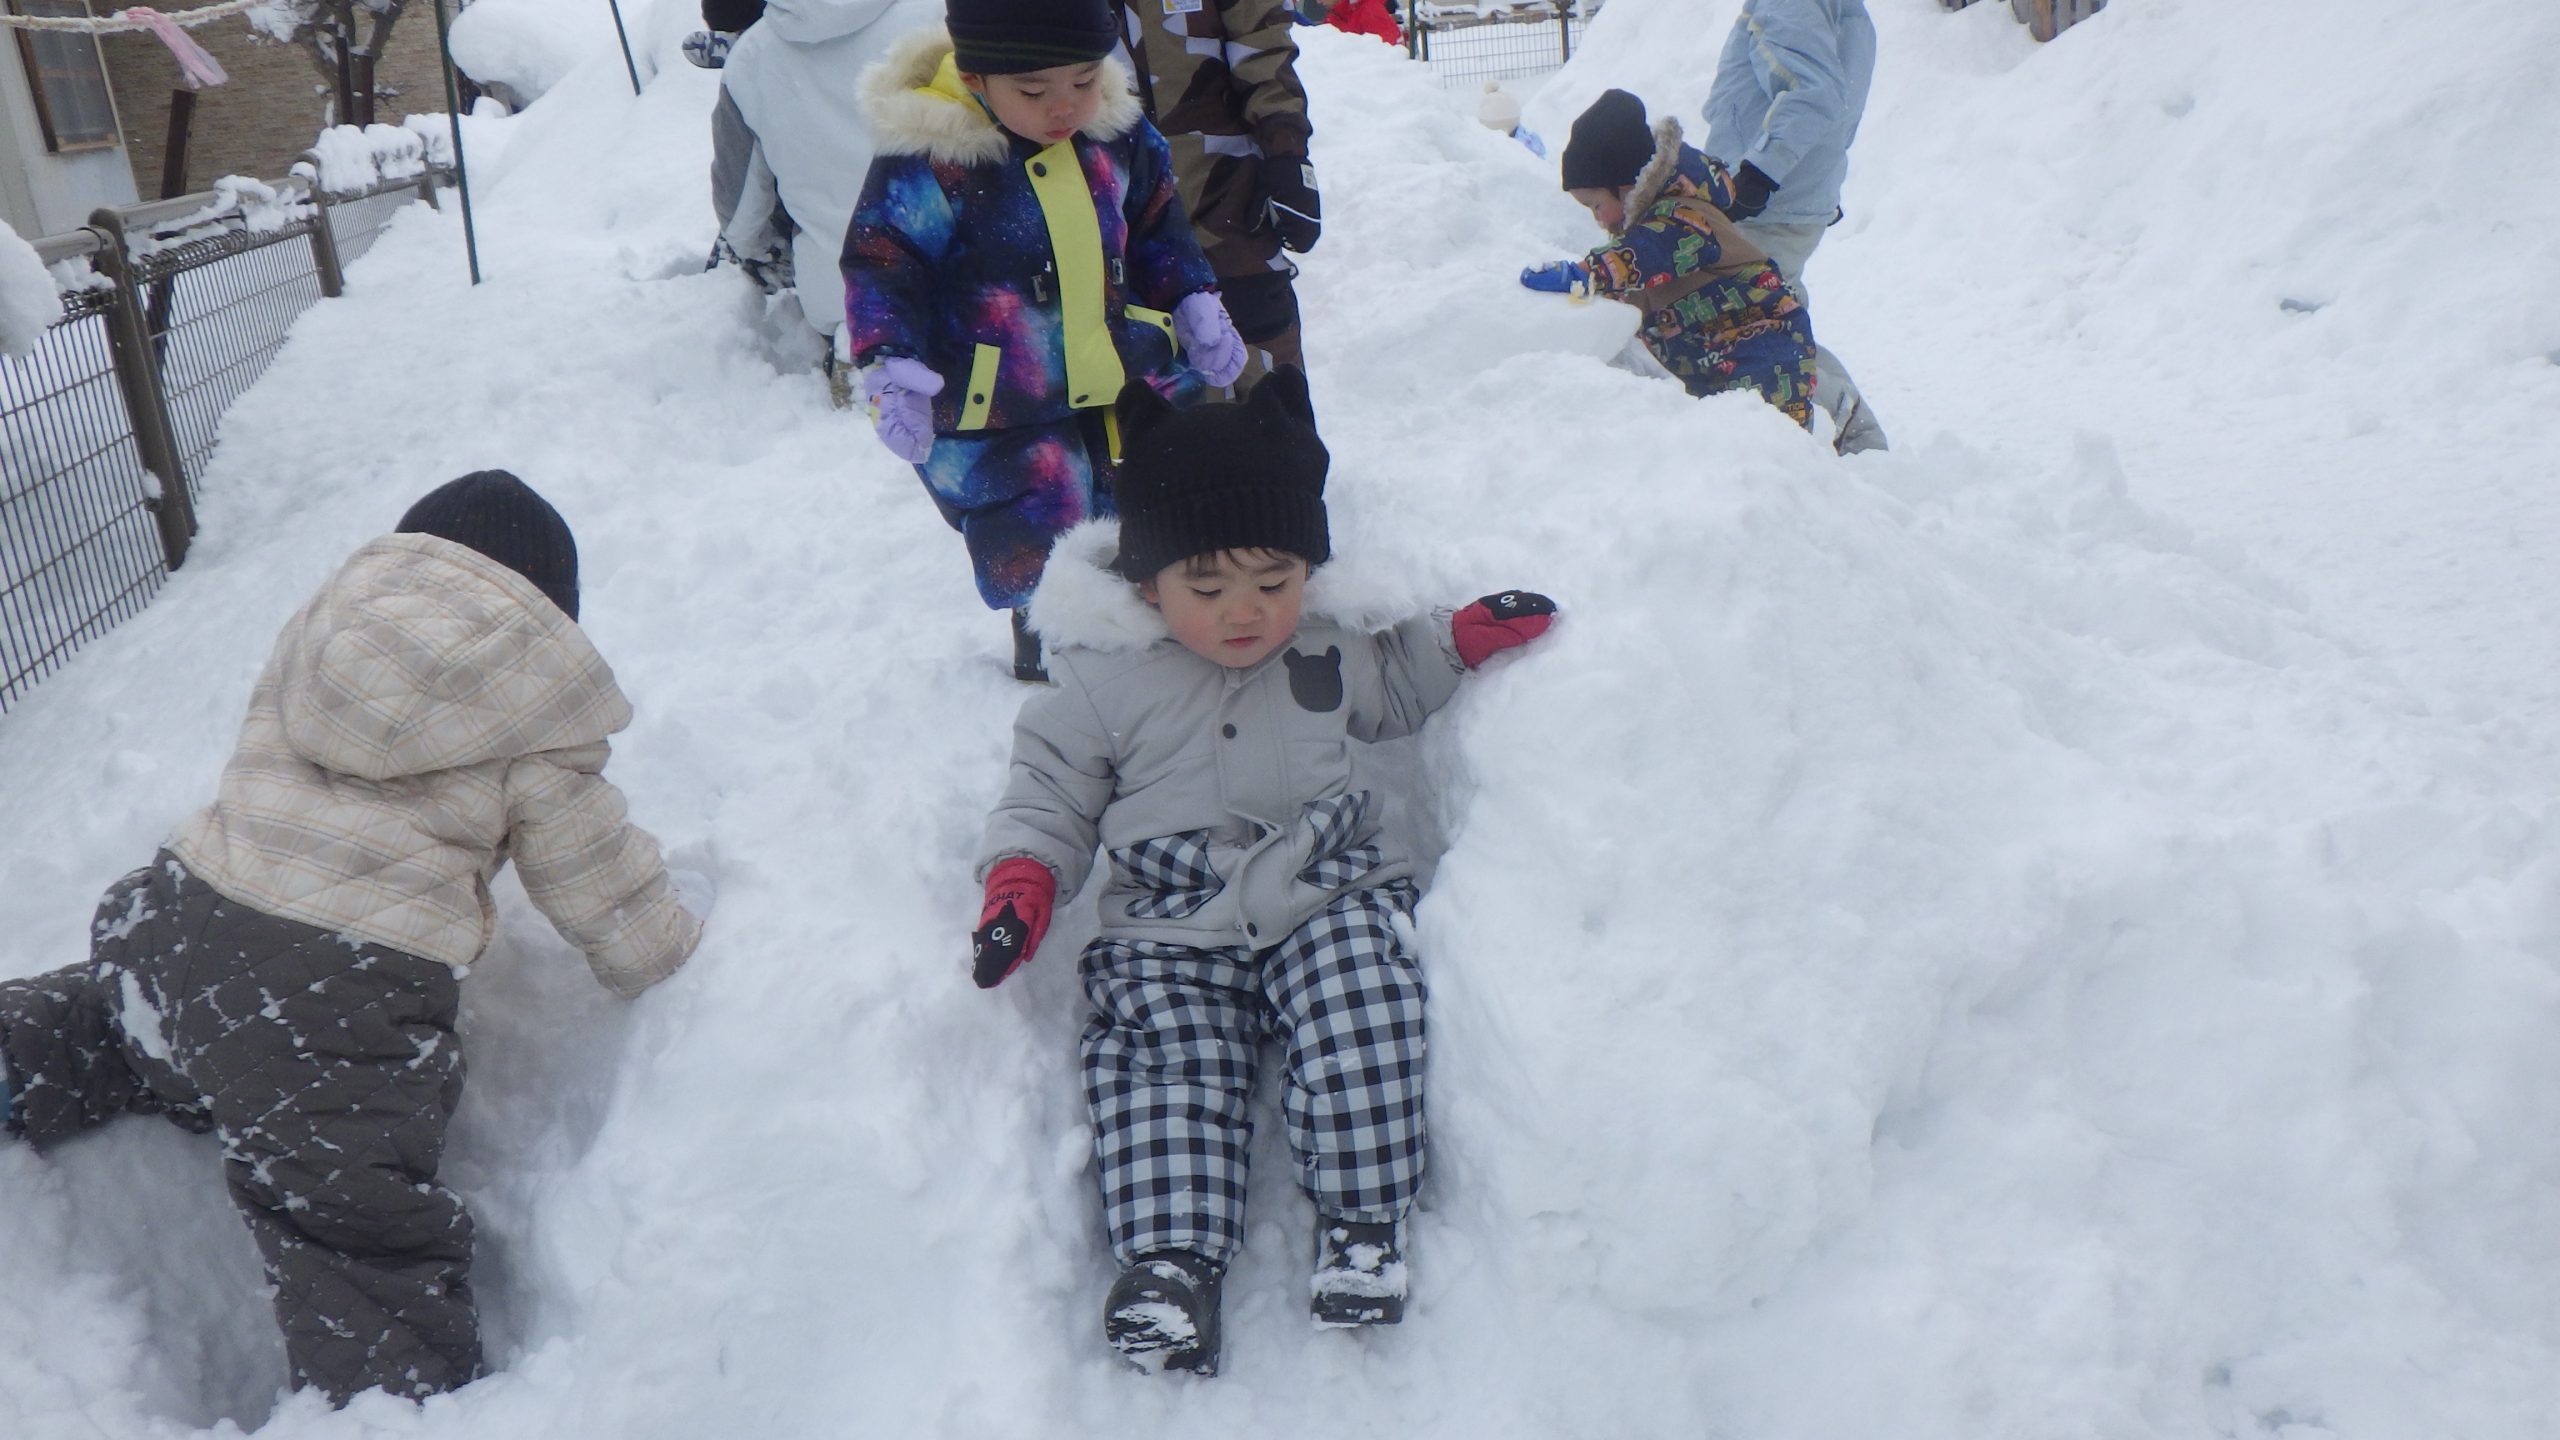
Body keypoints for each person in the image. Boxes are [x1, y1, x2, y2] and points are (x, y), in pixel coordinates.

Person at [0, 472, 712, 1407]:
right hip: (332, 1004)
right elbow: (600, 881)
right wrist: (667, 954)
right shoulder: (540, 697)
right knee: (358, 1239)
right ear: (551, 606)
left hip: (180, 914)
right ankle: (386, 1415)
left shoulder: (328, 628)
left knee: (114, 1028)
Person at [965, 367, 1559, 1374]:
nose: (1245, 612)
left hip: (1323, 887)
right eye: (1207, 588)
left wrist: (1459, 640)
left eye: (1274, 582)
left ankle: (1363, 1223)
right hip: (1169, 916)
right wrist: (1022, 879)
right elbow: (1050, 789)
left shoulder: (1325, 646)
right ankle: (1169, 1264)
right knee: (1160, 1065)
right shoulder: (1102, 678)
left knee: (1368, 1007)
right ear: (1147, 582)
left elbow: (1399, 681)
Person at [844, 0, 1249, 682]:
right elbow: (885, 263)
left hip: (1124, 377)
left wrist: (1191, 297)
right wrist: (888, 359)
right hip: (1003, 403)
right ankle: (1054, 657)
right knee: (1039, 533)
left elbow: (1156, 226)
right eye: (1034, 91)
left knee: (1152, 510)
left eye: (1086, 79)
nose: (1066, 107)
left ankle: (1162, 641)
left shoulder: (1118, 134)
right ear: (976, 81)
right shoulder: (935, 160)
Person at [1523, 89, 1818, 429]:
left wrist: (1585, 273)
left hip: (1766, 353)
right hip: (1713, 365)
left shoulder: (1682, 218)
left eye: (1595, 205)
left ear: (1625, 185)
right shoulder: (1644, 231)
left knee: (1765, 449)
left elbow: (1650, 253)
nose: (1597, 218)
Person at [1697, 0, 1889, 452]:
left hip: (1767, 204)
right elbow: (1839, 96)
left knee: (1755, 325)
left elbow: (1813, 92)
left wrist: (1759, 174)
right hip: (1790, 195)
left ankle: (1849, 435)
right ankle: (1848, 436)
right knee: (1775, 316)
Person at [712, 0, 940, 360]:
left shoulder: (750, 59)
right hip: (956, 285)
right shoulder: (939, 19)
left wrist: (765, 253)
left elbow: (740, 217)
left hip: (844, 301)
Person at [1114, 0, 1323, 384]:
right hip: (1114, 222)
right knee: (1147, 406)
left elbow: (1261, 38)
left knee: (1263, 389)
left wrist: (1287, 154)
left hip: (1227, 205)